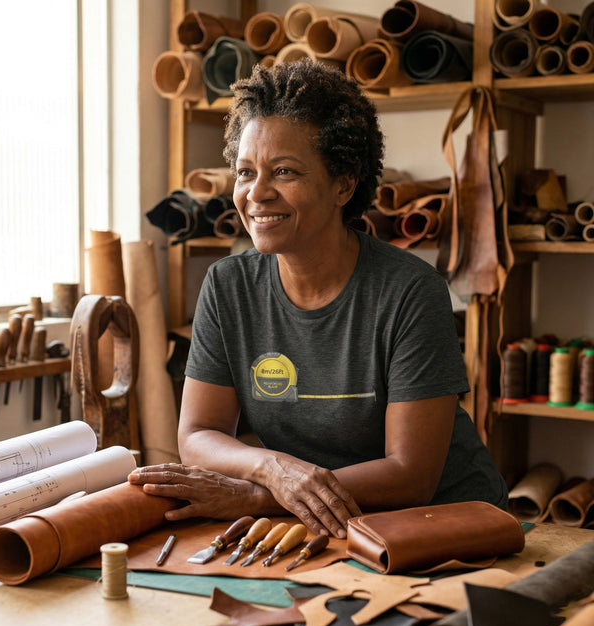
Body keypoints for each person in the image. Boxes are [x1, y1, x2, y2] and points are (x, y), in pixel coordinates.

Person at [128, 59, 508, 539]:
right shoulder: (228, 286)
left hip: (447, 525)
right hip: (326, 521)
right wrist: (273, 470)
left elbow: (411, 474)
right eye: (246, 172)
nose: (256, 193)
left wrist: (258, 497)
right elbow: (199, 436)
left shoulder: (410, 292)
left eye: (284, 171)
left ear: (343, 184)